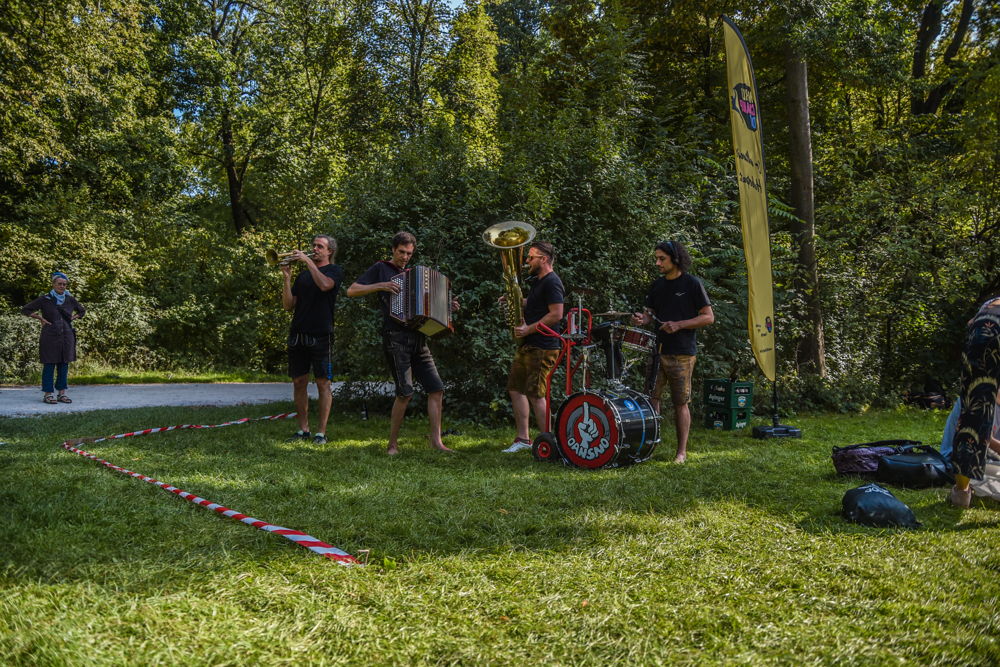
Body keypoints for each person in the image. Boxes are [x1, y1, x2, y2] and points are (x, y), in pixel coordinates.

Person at [346, 231, 457, 455]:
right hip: (395, 338)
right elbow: (352, 290)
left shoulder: (413, 274)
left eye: (409, 253)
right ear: (393, 249)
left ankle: (437, 442)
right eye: (401, 252)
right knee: (405, 392)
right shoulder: (381, 268)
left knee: (436, 389)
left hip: (418, 338)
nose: (405, 257)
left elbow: (427, 307)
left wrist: (447, 308)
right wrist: (381, 286)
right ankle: (392, 445)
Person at [631, 240, 714, 463]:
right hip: (657, 351)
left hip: (682, 353)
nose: (657, 262)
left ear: (675, 259)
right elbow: (650, 314)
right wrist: (642, 319)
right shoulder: (657, 285)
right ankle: (649, 446)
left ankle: (681, 452)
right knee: (652, 398)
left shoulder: (692, 283)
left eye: (662, 259)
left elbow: (708, 317)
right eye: (656, 258)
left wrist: (679, 324)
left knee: (680, 403)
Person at [281, 235, 343, 445]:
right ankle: (303, 429)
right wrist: (287, 278)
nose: (315, 249)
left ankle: (321, 433)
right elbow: (288, 305)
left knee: (323, 383)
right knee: (299, 382)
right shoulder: (303, 277)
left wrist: (307, 261)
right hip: (298, 334)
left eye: (320, 247)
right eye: (314, 246)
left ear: (329, 252)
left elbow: (325, 286)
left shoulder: (334, 271)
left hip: (321, 335)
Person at [503, 241, 564, 453]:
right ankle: (523, 439)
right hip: (529, 345)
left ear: (544, 259)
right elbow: (537, 303)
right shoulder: (539, 281)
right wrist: (517, 300)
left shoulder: (552, 282)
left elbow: (556, 313)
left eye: (531, 257)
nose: (527, 261)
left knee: (536, 394)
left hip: (543, 345)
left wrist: (528, 329)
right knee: (515, 389)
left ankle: (550, 442)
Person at [948, 295, 1000, 507]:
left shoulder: (989, 307)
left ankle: (961, 493)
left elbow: (974, 322)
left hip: (985, 328)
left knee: (975, 410)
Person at [21, 272, 86, 404]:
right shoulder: (45, 299)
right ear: (53, 284)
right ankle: (48, 394)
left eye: (64, 284)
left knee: (64, 364)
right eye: (59, 284)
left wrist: (72, 318)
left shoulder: (70, 299)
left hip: (67, 336)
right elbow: (25, 309)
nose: (62, 286)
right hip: (50, 335)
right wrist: (40, 318)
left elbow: (82, 311)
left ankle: (61, 394)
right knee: (49, 364)